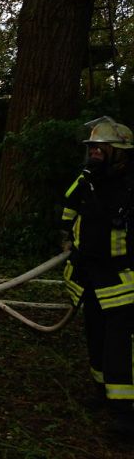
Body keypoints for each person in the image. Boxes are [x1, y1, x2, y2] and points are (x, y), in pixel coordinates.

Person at [61, 116, 134, 439]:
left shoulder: (130, 187)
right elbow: (69, 204)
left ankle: (126, 414)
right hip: (90, 276)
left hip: (123, 280)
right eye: (92, 149)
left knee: (121, 347)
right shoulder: (87, 179)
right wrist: (66, 233)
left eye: (100, 149)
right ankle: (102, 393)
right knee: (96, 337)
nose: (94, 154)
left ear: (120, 153)